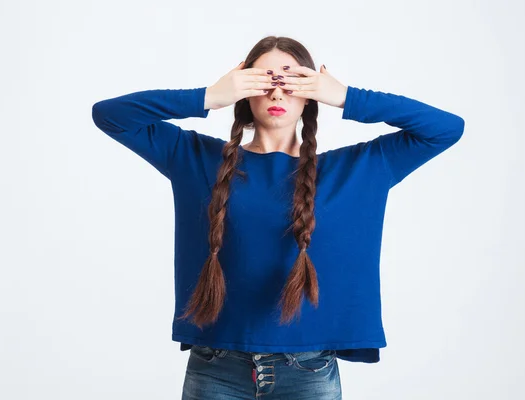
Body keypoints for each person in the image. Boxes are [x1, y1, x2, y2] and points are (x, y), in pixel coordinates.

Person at [91, 35, 465, 399]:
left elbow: (445, 128)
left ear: (311, 93)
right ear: (243, 88)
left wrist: (346, 97)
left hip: (309, 373)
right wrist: (210, 96)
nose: (276, 92)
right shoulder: (195, 158)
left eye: (292, 80)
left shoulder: (358, 169)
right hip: (215, 369)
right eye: (262, 79)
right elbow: (110, 115)